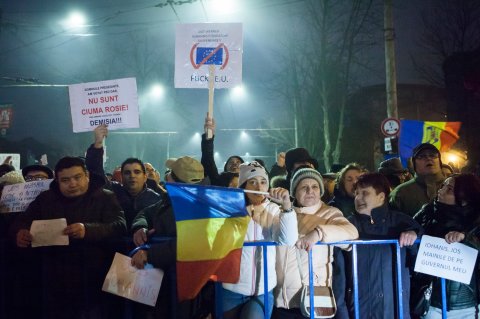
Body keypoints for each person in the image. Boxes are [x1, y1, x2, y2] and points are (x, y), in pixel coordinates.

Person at [10, 156, 127, 319]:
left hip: (93, 281)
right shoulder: (46, 199)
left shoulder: (104, 197)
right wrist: (20, 232)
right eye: (65, 180)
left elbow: (119, 226)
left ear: (87, 176)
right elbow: (22, 221)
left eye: (77, 177)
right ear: (57, 181)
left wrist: (87, 230)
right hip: (55, 282)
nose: (72, 184)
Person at [272, 168, 358, 319]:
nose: (310, 191)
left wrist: (319, 233)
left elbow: (351, 233)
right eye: (304, 187)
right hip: (281, 300)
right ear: (294, 192)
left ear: (321, 191)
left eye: (315, 187)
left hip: (314, 299)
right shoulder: (279, 212)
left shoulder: (330, 213)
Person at [131, 156, 210, 319]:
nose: (167, 177)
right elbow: (146, 212)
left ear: (173, 180)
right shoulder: (172, 199)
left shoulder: (199, 208)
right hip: (164, 280)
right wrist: (140, 227)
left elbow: (191, 243)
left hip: (186, 284)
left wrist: (149, 253)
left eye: (171, 174)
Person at [221, 161, 298, 319]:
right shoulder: (230, 209)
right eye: (252, 182)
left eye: (263, 182)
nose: (259, 187)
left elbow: (288, 239)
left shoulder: (275, 210)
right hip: (231, 288)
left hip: (262, 289)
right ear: (243, 185)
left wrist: (287, 207)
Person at [344, 173, 423, 319]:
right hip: (360, 308)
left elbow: (420, 263)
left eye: (365, 193)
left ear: (381, 196)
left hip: (395, 307)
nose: (358, 198)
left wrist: (413, 237)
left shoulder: (402, 222)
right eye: (356, 194)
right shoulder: (347, 225)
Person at [413, 174, 480, 318]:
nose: (441, 191)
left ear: (464, 199)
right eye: (442, 185)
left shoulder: (476, 221)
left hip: (467, 305)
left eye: (449, 189)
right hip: (431, 302)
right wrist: (410, 233)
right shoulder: (427, 212)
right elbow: (412, 228)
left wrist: (466, 238)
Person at [85, 125, 163, 228]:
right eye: (127, 172)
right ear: (121, 176)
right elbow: (96, 172)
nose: (132, 176)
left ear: (145, 177)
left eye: (137, 172)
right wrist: (98, 144)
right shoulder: (113, 192)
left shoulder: (155, 199)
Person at [390, 143, 445, 217]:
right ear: (414, 163)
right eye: (422, 156)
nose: (428, 158)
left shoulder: (454, 186)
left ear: (439, 161)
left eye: (432, 155)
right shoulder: (400, 193)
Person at [201, 114, 244, 186]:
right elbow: (208, 161)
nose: (235, 164)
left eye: (238, 162)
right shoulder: (218, 182)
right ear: (226, 168)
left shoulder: (252, 186)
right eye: (231, 162)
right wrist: (208, 139)